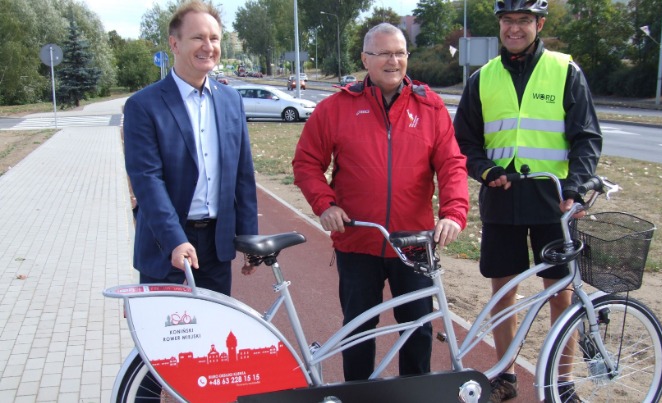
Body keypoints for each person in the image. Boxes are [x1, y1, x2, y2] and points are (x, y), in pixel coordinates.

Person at [292, 23, 469, 381]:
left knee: (417, 328)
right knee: (358, 329)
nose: (393, 61)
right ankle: (358, 393)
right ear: (365, 59)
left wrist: (453, 212)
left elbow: (452, 164)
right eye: (384, 53)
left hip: (415, 244)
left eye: (400, 53)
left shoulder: (430, 107)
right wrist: (325, 204)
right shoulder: (336, 108)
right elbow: (306, 163)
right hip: (358, 240)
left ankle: (413, 392)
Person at [453, 0, 602, 401]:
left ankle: (563, 383)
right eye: (507, 20)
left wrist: (575, 187)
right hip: (502, 199)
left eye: (523, 20)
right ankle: (505, 376)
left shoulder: (564, 70)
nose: (514, 28)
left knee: (560, 292)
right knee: (503, 293)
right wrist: (485, 169)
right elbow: (464, 140)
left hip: (553, 202)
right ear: (499, 24)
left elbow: (587, 137)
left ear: (540, 24)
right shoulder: (482, 78)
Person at [123, 0, 258, 297]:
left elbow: (242, 175)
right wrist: (175, 239)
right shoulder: (143, 106)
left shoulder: (231, 100)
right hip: (164, 242)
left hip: (217, 243)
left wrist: (249, 237)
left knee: (215, 325)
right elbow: (147, 180)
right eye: (198, 37)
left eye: (214, 38)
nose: (208, 47)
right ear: (175, 43)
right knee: (162, 325)